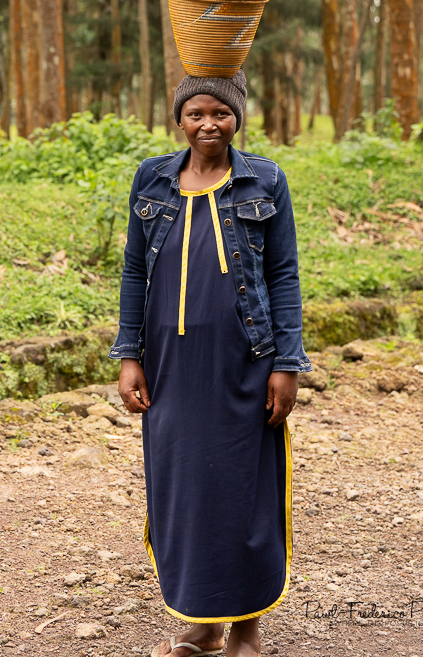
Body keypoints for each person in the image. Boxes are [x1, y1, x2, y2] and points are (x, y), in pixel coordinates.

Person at [109, 69, 311, 657]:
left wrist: (286, 364)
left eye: (220, 113)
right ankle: (201, 622)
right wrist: (129, 355)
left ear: (237, 117)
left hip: (245, 360)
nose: (208, 124)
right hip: (171, 364)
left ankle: (245, 629)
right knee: (184, 488)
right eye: (196, 113)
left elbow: (283, 274)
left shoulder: (264, 180)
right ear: (179, 118)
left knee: (243, 490)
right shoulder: (153, 179)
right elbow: (133, 271)